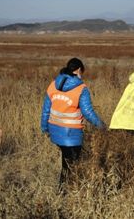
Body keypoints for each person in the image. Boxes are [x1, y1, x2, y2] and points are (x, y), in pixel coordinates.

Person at [40, 58, 105, 191]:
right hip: (71, 134)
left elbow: (46, 109)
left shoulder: (53, 84)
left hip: (55, 132)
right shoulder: (81, 89)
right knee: (73, 166)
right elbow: (87, 112)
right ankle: (68, 192)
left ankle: (63, 190)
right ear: (79, 70)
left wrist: (44, 128)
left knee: (66, 162)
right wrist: (102, 126)